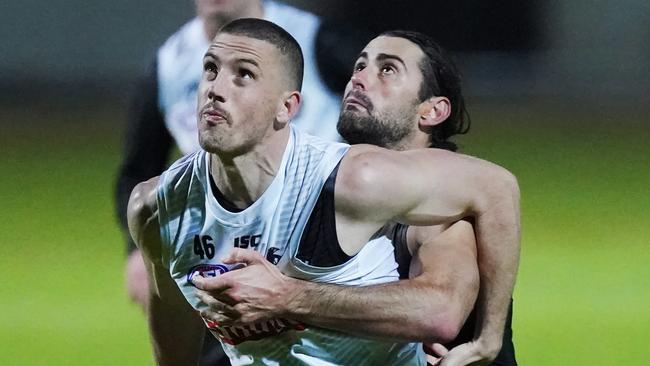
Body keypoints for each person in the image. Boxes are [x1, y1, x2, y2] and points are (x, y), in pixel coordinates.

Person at [128, 19, 520, 366]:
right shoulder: (161, 206)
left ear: (433, 111)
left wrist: (489, 338)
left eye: (387, 70)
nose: (360, 78)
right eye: (360, 65)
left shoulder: (427, 201)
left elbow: (443, 308)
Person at [116, 0, 342, 309]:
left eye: (245, 74)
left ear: (289, 105)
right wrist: (139, 252)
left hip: (321, 255)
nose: (217, 89)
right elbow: (139, 167)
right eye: (210, 70)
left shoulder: (318, 39)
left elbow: (384, 119)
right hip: (220, 258)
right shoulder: (169, 63)